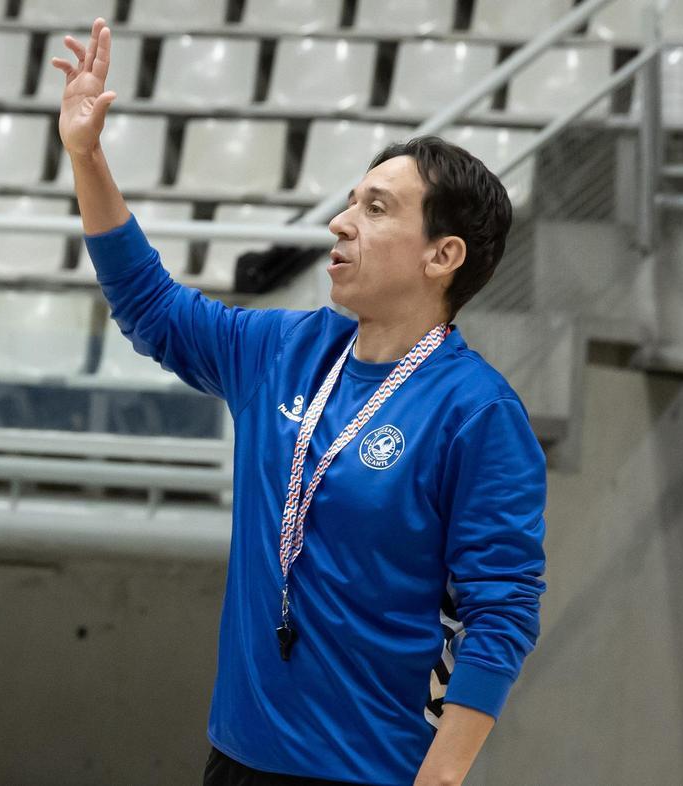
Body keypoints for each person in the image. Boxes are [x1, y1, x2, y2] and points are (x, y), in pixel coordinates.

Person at [52, 19, 547, 786]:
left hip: (370, 772)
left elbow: (502, 610)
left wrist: (442, 779)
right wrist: (87, 155)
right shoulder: (282, 351)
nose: (340, 222)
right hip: (238, 759)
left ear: (442, 256)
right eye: (351, 200)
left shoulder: (477, 413)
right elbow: (150, 306)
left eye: (377, 209)